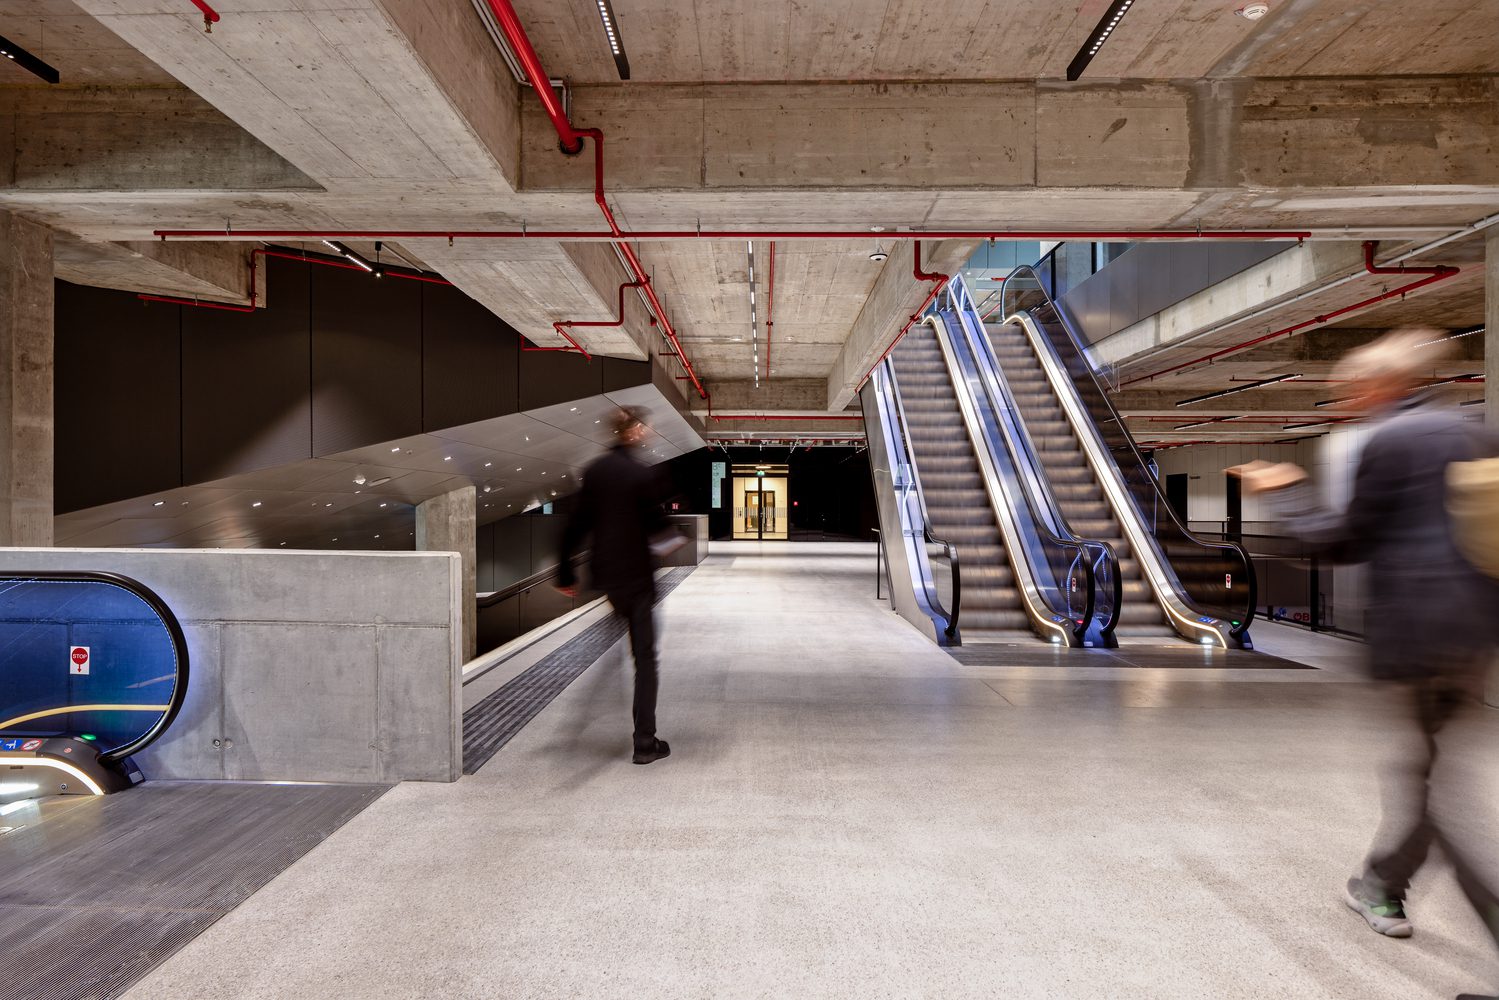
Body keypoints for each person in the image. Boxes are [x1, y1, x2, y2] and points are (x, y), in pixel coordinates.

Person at [1231, 328, 1499, 995]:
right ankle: (1380, 882)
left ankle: (1393, 888)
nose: (1346, 401)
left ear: (1382, 384)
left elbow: (1341, 541)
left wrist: (1284, 489)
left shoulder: (1390, 440)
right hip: (1472, 635)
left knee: (1436, 798)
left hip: (1418, 637)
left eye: (1350, 389)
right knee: (1426, 774)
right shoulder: (1477, 434)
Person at [556, 406, 673, 765]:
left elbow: (576, 524)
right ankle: (645, 742)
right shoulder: (640, 473)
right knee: (646, 659)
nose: (648, 432)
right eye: (645, 428)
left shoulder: (595, 472)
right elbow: (656, 525)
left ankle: (605, 705)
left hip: (608, 576)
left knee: (626, 636)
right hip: (637, 577)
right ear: (634, 432)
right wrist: (670, 538)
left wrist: (565, 572)